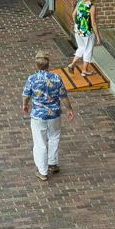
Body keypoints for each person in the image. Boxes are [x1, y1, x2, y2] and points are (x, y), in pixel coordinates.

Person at [22, 49, 74, 181]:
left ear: (37, 65)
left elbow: (26, 95)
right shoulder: (56, 78)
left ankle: (43, 171)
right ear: (48, 64)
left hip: (38, 115)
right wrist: (69, 109)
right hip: (54, 114)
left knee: (40, 143)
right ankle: (53, 163)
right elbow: (63, 96)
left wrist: (25, 105)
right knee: (54, 137)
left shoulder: (32, 79)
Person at [68, 0, 101, 76]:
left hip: (78, 30)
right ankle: (84, 71)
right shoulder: (91, 7)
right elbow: (93, 23)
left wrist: (77, 24)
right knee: (88, 50)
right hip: (87, 32)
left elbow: (73, 14)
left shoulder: (80, 2)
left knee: (81, 48)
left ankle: (72, 64)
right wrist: (98, 36)